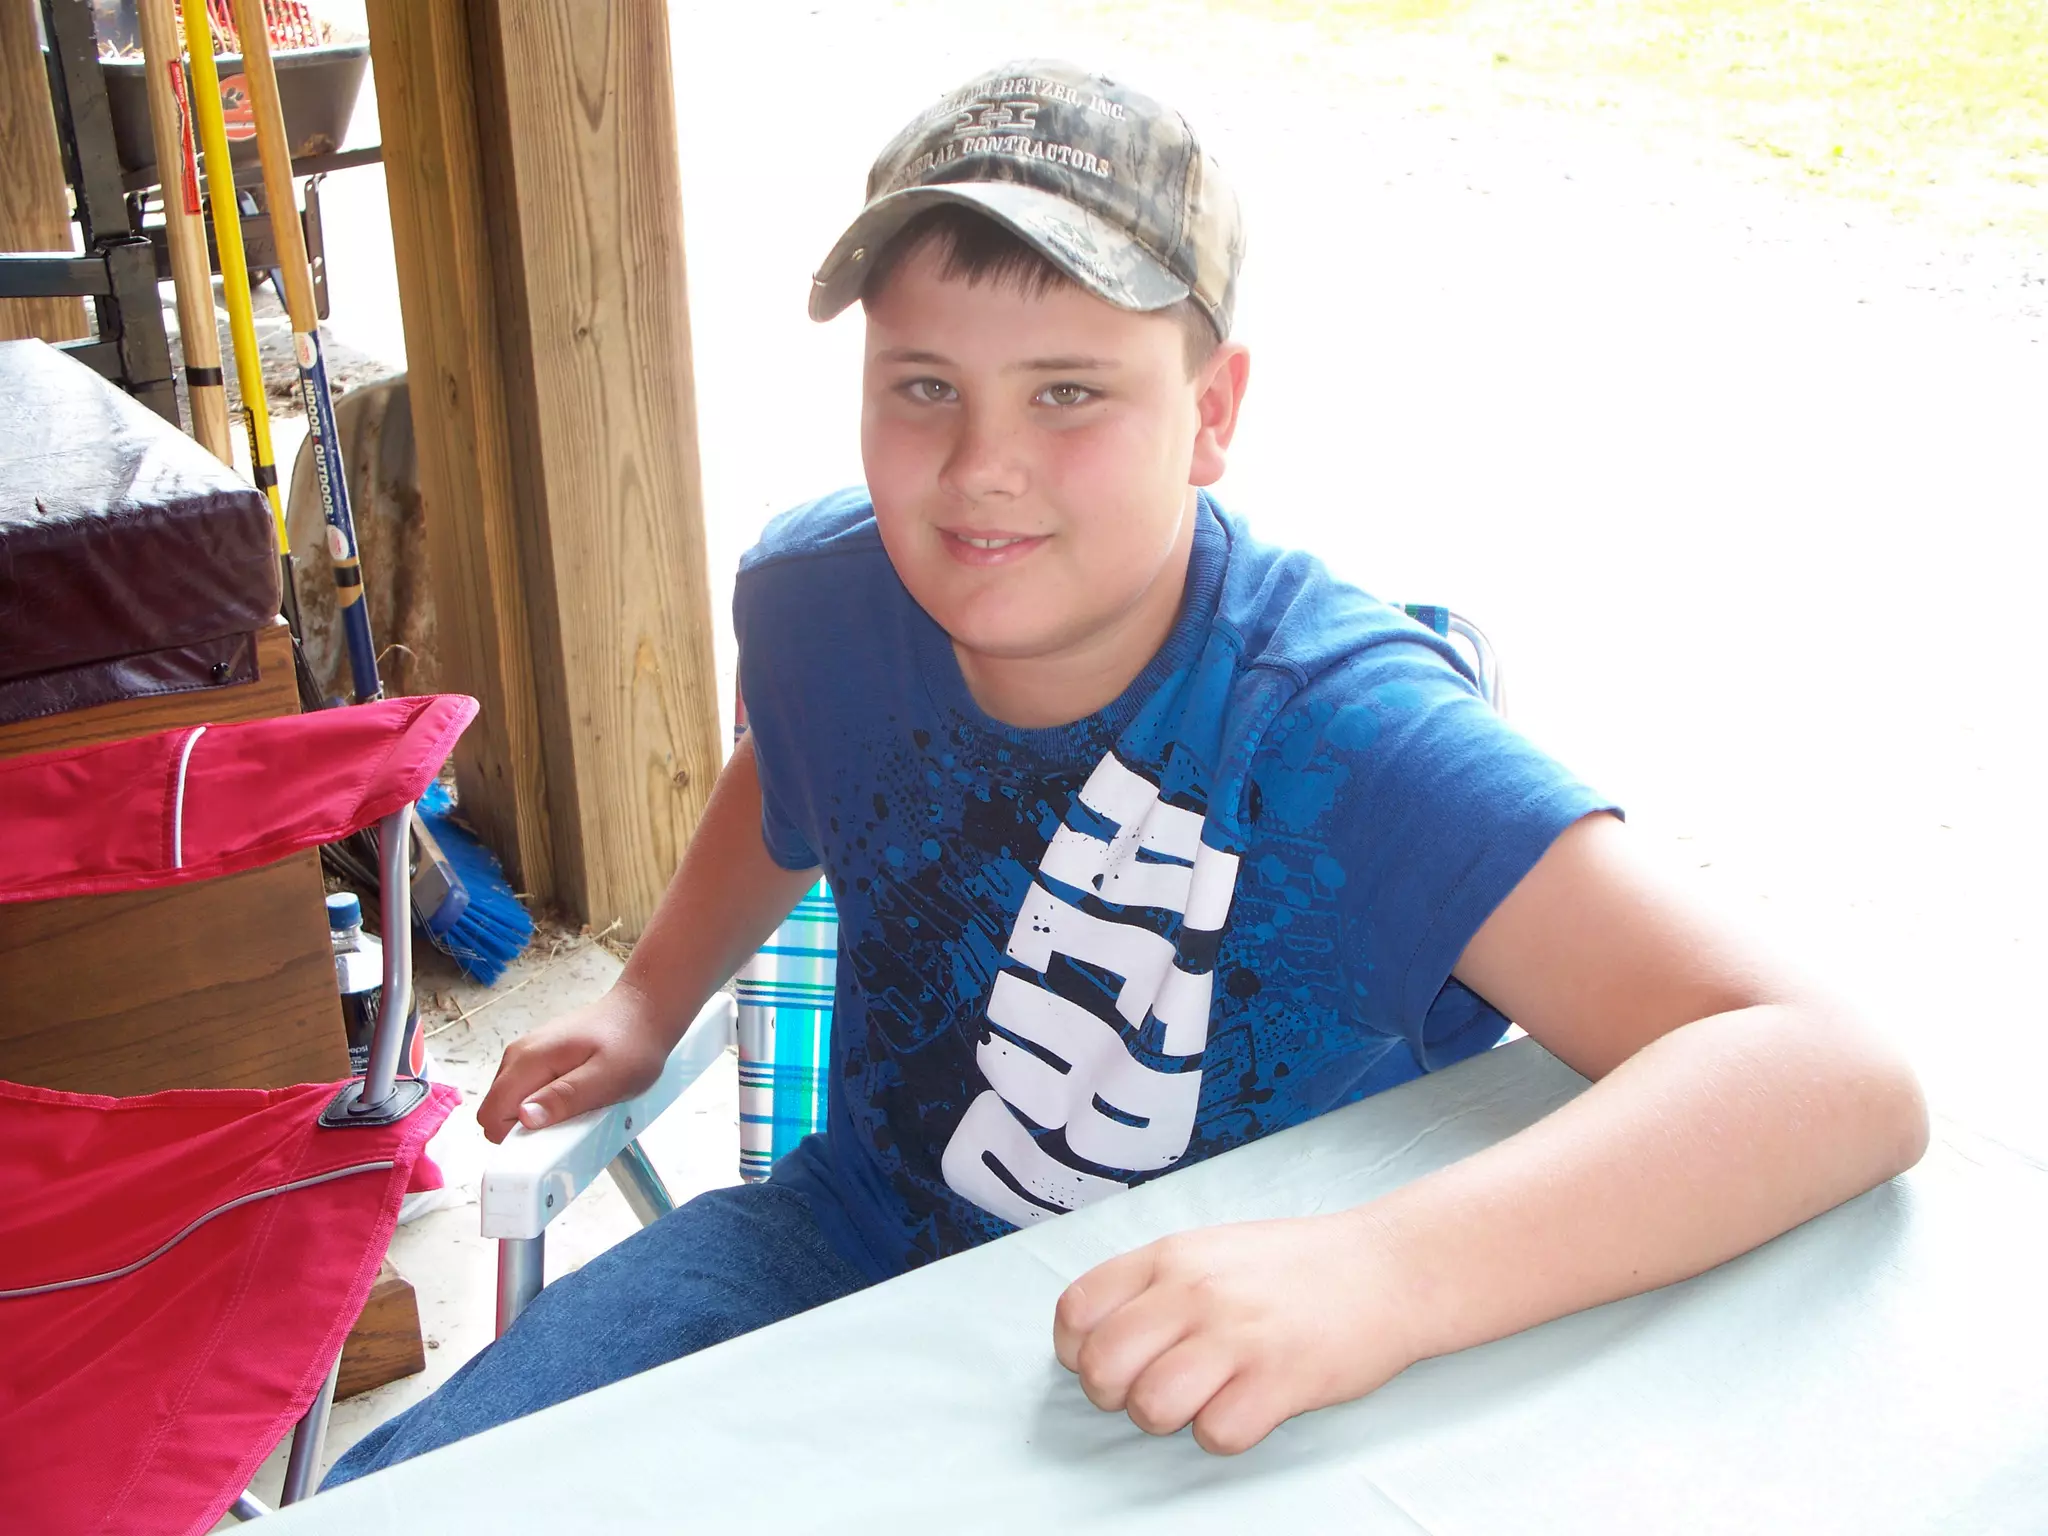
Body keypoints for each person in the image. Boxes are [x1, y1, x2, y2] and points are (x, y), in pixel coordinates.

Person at [327, 59, 1925, 1482]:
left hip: (1219, 1350)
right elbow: (790, 761)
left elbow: (1829, 1070)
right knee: (431, 1487)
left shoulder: (1341, 729)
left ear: (1212, 414)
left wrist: (1381, 1276)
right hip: (841, 1248)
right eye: (924, 386)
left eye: (1070, 393)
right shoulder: (820, 597)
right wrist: (647, 997)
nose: (981, 468)